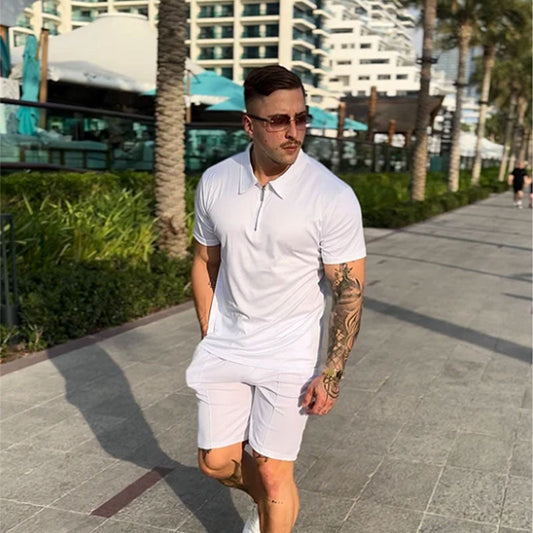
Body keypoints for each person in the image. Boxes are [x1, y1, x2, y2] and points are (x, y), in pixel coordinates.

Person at [186, 65, 366, 533]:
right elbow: (205, 261)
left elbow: (348, 291)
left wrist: (332, 372)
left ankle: (272, 507)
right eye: (278, 121)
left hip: (290, 349)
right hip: (227, 342)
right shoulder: (216, 181)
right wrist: (209, 332)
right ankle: (268, 504)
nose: (293, 132)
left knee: (272, 471)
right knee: (215, 462)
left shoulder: (331, 196)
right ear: (249, 124)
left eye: (301, 118)